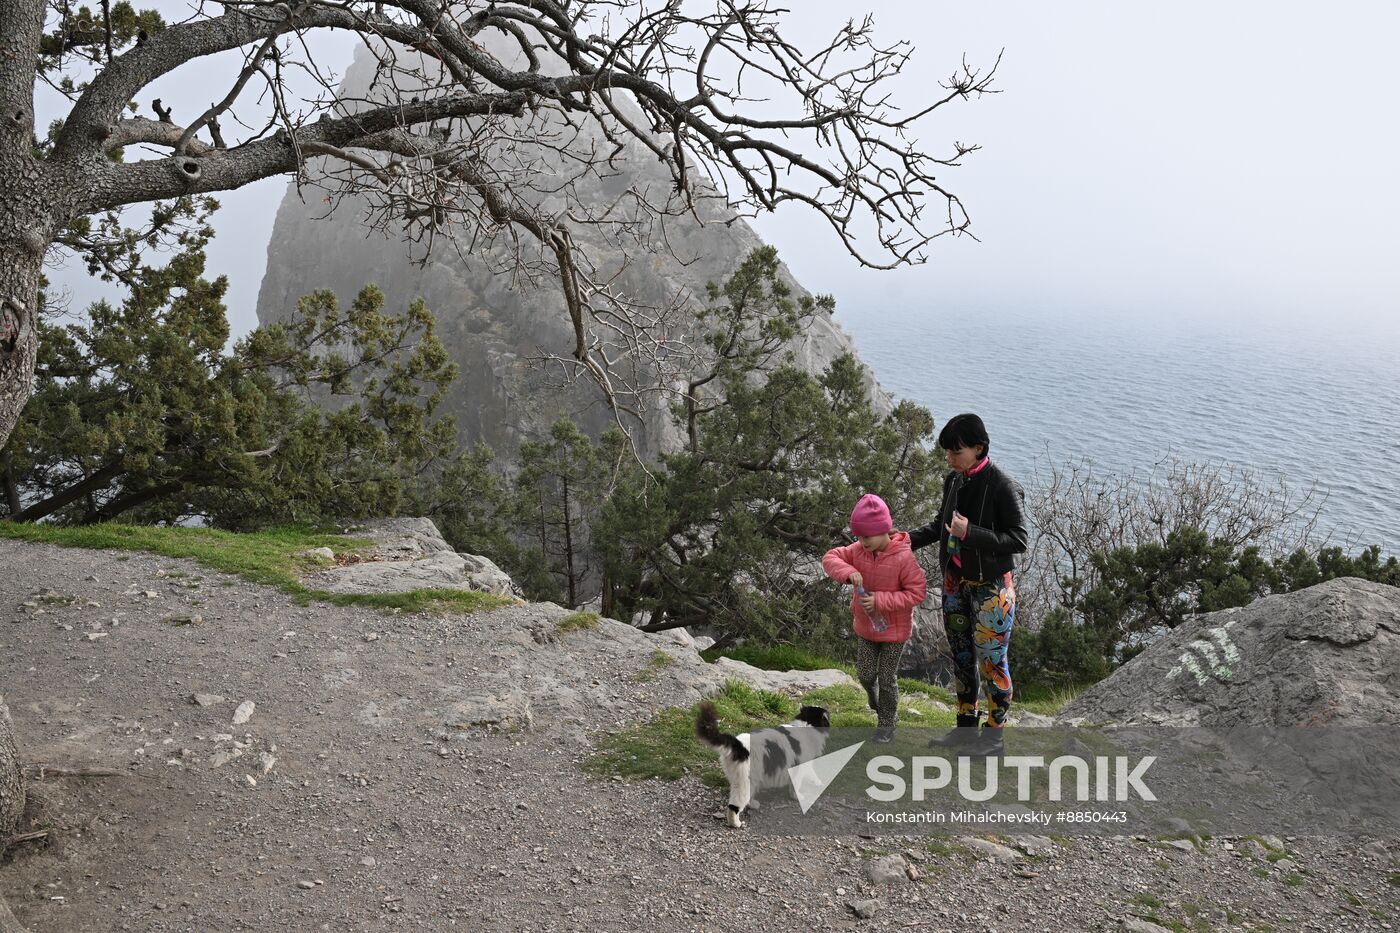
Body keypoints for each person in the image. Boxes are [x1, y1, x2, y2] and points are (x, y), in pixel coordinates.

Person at [910, 413, 1028, 756]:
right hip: (956, 583)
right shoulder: (955, 480)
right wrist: (905, 539)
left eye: (956, 451)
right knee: (962, 658)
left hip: (992, 590)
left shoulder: (1003, 485)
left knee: (993, 663)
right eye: (947, 451)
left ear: (979, 447)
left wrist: (971, 533)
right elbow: (940, 525)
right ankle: (965, 729)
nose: (949, 458)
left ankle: (993, 739)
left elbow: (1018, 539)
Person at [822, 493, 928, 743]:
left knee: (886, 677)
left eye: (866, 536)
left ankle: (887, 723)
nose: (861, 540)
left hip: (894, 632)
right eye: (858, 536)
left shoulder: (903, 557)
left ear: (884, 530)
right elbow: (830, 558)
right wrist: (848, 572)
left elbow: (917, 592)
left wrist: (880, 600)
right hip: (866, 628)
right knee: (866, 675)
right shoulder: (858, 550)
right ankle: (874, 697)